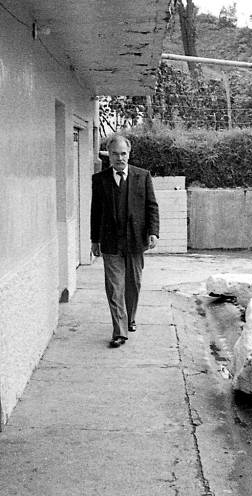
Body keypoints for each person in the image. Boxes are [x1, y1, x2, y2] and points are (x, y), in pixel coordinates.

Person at [90, 134, 159, 348]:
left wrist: (153, 232)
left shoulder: (142, 176)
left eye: (123, 153)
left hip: (136, 240)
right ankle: (119, 331)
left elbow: (151, 206)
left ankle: (130, 317)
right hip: (111, 242)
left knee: (134, 283)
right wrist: (95, 239)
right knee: (114, 287)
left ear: (128, 154)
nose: (119, 158)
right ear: (108, 155)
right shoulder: (99, 180)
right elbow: (96, 211)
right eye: (115, 154)